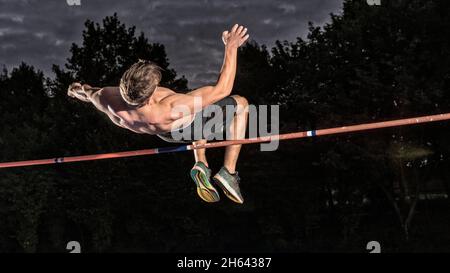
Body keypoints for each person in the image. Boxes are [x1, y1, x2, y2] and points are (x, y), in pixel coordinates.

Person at [67, 24, 250, 204]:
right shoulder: (170, 106)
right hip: (188, 124)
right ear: (148, 96)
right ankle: (229, 172)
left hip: (165, 134)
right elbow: (223, 89)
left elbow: (89, 92)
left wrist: (77, 90)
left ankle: (201, 164)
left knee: (194, 107)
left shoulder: (106, 98)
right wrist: (231, 46)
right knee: (240, 104)